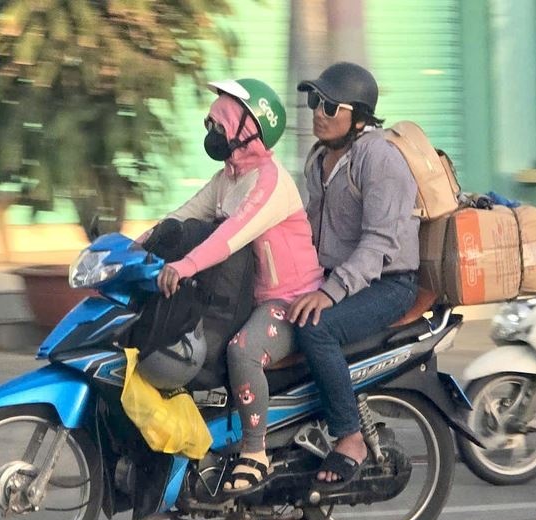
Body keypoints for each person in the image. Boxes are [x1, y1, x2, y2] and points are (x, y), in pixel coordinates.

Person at [146, 78, 324, 495]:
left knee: (241, 351)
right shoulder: (229, 177)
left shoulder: (270, 182)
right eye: (212, 121)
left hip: (290, 300)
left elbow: (231, 236)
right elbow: (184, 215)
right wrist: (134, 246)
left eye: (221, 122)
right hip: (249, 297)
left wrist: (186, 265)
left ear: (250, 129)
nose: (213, 131)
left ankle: (255, 452)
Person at [288, 62, 420, 490]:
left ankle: (349, 438)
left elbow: (379, 243)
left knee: (317, 328)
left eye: (330, 105)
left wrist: (330, 292)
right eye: (314, 102)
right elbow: (308, 227)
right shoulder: (319, 161)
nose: (318, 113)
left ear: (359, 118)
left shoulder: (378, 158)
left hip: (389, 282)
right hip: (337, 274)